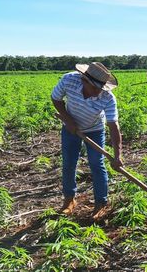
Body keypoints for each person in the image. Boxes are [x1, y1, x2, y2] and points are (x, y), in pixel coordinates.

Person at [51, 62, 123, 220]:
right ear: (84, 80)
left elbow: (113, 126)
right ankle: (69, 200)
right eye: (95, 88)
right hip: (70, 129)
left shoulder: (107, 97)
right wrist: (68, 120)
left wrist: (118, 156)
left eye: (101, 89)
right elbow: (56, 98)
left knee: (97, 163)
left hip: (95, 130)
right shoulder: (68, 80)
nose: (98, 92)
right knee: (69, 163)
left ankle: (101, 203)